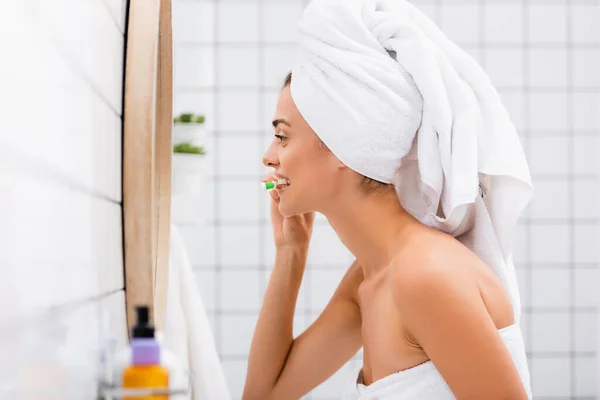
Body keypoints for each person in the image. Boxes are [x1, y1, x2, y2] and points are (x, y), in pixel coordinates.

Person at [243, 1, 532, 399]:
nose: (269, 157)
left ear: (342, 147)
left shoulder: (424, 277)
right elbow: (264, 395)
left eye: (282, 136)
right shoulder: (371, 278)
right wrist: (291, 252)